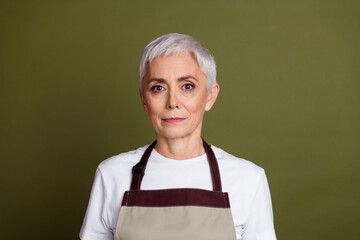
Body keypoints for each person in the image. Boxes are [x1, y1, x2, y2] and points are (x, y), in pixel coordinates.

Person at [80, 33, 277, 240]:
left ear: (210, 96)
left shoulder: (248, 179)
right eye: (158, 88)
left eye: (187, 86)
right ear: (144, 100)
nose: (172, 102)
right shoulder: (111, 175)